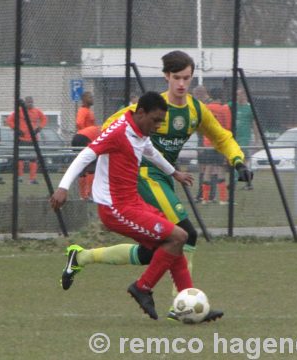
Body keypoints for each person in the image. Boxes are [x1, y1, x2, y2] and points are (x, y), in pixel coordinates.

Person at [59, 51, 252, 321]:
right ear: (167, 77)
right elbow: (110, 127)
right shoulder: (150, 107)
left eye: (187, 78)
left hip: (163, 176)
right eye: (177, 78)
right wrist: (85, 139)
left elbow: (221, 137)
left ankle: (80, 258)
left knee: (155, 251)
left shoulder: (195, 110)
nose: (182, 84)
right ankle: (180, 302)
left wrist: (238, 160)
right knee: (185, 234)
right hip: (143, 177)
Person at [52, 92, 203, 320]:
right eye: (155, 120)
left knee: (175, 241)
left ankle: (187, 303)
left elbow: (151, 152)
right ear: (140, 112)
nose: (158, 125)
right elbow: (85, 155)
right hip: (116, 209)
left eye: (161, 121)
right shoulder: (119, 131)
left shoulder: (140, 131)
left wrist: (175, 173)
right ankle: (142, 287)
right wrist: (63, 187)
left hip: (133, 203)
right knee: (179, 236)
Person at [201, 88, 232, 205]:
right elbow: (228, 126)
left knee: (208, 169)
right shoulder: (224, 109)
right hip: (219, 143)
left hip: (208, 143)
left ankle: (205, 198)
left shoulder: (205, 108)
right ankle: (223, 199)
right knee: (220, 169)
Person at [6, 96, 47, 184]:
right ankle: (19, 177)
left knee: (33, 159)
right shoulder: (19, 111)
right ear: (25, 103)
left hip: (33, 139)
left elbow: (44, 119)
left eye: (31, 102)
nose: (30, 104)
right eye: (28, 102)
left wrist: (39, 128)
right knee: (20, 159)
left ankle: (32, 179)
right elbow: (9, 120)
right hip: (21, 139)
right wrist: (16, 129)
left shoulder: (37, 111)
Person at [228, 87, 257, 190]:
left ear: (244, 95)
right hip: (234, 138)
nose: (236, 97)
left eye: (238, 94)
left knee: (240, 160)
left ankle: (234, 182)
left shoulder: (249, 108)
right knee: (241, 162)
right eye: (236, 95)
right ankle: (249, 183)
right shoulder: (232, 105)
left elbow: (254, 125)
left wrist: (257, 140)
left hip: (245, 138)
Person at [71, 125, 101, 200]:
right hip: (84, 139)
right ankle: (89, 194)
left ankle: (83, 195)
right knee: (91, 167)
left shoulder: (97, 128)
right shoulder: (106, 130)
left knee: (82, 168)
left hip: (76, 137)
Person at [193, 85, 211, 201]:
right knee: (207, 169)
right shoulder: (201, 105)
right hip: (203, 140)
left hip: (206, 141)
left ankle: (203, 195)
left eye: (195, 95)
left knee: (206, 169)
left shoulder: (207, 106)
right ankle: (207, 195)